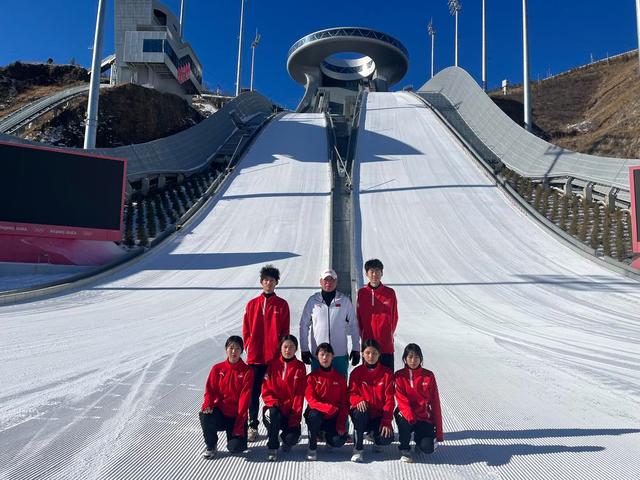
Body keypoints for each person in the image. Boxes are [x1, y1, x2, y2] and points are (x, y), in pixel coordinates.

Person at [242, 264, 290, 442]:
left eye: (272, 280)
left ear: (276, 282)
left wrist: (281, 352)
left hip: (274, 359)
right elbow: (246, 328)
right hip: (255, 358)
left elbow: (285, 331)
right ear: (261, 282)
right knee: (253, 393)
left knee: (275, 393)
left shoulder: (282, 305)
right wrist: (248, 344)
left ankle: (277, 425)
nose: (268, 283)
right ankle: (252, 425)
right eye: (266, 280)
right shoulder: (252, 304)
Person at [299, 268, 360, 378]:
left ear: (336, 282)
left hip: (339, 353)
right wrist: (304, 349)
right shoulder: (313, 301)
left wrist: (356, 348)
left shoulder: (344, 300)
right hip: (319, 354)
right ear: (321, 282)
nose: (329, 283)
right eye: (326, 280)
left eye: (332, 280)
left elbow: (354, 325)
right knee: (318, 386)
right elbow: (304, 325)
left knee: (339, 385)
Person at [199, 336, 254, 458]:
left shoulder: (247, 371)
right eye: (231, 348)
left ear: (242, 350)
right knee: (205, 415)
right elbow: (210, 391)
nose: (234, 351)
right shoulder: (217, 369)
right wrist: (208, 404)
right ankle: (211, 445)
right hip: (221, 413)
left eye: (237, 348)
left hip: (236, 416)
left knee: (235, 448)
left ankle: (235, 437)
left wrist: (239, 424)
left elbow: (244, 400)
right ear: (226, 349)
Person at [394, 343, 444, 463]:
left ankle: (419, 440)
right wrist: (410, 417)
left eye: (416, 357)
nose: (413, 360)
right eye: (410, 357)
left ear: (421, 358)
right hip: (406, 414)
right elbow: (401, 400)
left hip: (423, 416)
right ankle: (404, 447)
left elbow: (435, 402)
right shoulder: (399, 375)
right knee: (403, 418)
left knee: (428, 449)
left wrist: (439, 433)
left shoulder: (428, 376)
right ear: (404, 359)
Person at [348, 339, 395, 462]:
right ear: (363, 354)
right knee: (360, 412)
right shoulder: (356, 373)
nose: (371, 356)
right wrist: (358, 400)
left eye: (374, 353)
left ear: (379, 354)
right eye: (367, 353)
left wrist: (386, 420)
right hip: (362, 413)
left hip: (378, 415)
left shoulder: (387, 373)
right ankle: (358, 449)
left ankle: (374, 435)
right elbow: (351, 393)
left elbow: (390, 399)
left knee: (386, 439)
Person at [261, 335, 307, 461]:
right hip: (275, 409)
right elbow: (266, 389)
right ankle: (272, 445)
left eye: (291, 347)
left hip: (290, 412)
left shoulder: (300, 367)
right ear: (280, 348)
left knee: (291, 439)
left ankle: (288, 437)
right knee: (273, 414)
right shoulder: (272, 365)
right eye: (285, 347)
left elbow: (299, 395)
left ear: (296, 349)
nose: (288, 350)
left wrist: (295, 418)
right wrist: (272, 402)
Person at [303, 343, 349, 461]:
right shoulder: (312, 377)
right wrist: (326, 407)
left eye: (328, 355)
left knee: (339, 441)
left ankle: (329, 438)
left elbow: (344, 403)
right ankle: (312, 446)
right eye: (322, 354)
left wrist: (340, 424)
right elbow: (311, 400)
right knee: (313, 415)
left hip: (332, 417)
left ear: (333, 356)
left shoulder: (340, 378)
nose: (325, 358)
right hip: (317, 415)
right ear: (317, 357)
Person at [356, 259, 398, 371]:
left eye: (377, 271)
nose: (374, 274)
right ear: (366, 274)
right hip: (368, 346)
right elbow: (358, 317)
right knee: (369, 378)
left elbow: (394, 317)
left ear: (382, 273)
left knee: (387, 377)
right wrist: (364, 336)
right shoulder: (362, 293)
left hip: (386, 345)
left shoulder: (390, 293)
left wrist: (388, 333)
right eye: (371, 271)